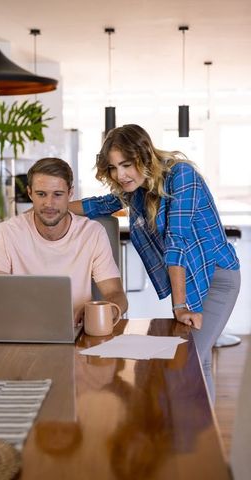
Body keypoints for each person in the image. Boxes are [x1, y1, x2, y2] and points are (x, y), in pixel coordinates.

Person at [70, 124, 240, 402]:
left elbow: (176, 241)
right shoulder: (137, 189)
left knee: (191, 357)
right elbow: (98, 205)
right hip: (188, 280)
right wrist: (55, 205)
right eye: (113, 168)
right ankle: (194, 433)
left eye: (126, 164)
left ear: (144, 156)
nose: (120, 175)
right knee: (198, 359)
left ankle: (194, 430)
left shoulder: (182, 176)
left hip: (217, 278)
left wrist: (179, 305)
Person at [0, 157, 128, 324]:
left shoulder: (93, 233)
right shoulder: (7, 232)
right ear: (30, 193)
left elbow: (116, 294)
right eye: (41, 194)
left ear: (70, 194)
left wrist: (104, 312)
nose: (49, 203)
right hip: (21, 330)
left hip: (76, 331)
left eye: (58, 194)